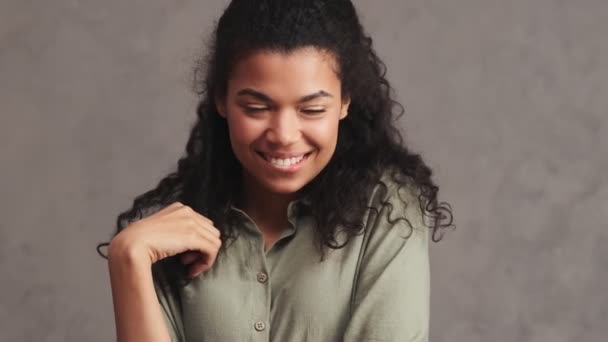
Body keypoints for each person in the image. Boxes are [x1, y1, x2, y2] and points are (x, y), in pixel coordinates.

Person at [96, 0, 454, 341]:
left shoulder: (389, 211)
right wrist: (127, 257)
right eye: (256, 108)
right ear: (221, 99)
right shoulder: (176, 228)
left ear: (345, 101)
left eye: (311, 110)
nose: (284, 136)